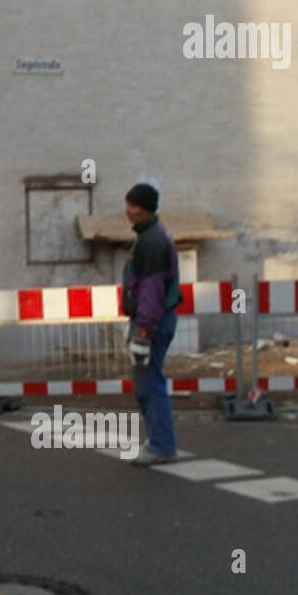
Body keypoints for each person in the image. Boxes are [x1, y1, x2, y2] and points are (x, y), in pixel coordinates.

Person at [121, 183, 182, 466]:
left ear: (146, 209)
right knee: (150, 379)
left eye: (133, 206)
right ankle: (160, 440)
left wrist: (144, 329)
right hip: (156, 319)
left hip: (152, 323)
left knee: (149, 383)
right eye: (128, 204)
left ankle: (161, 446)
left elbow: (151, 289)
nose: (128, 211)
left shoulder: (152, 241)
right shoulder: (152, 236)